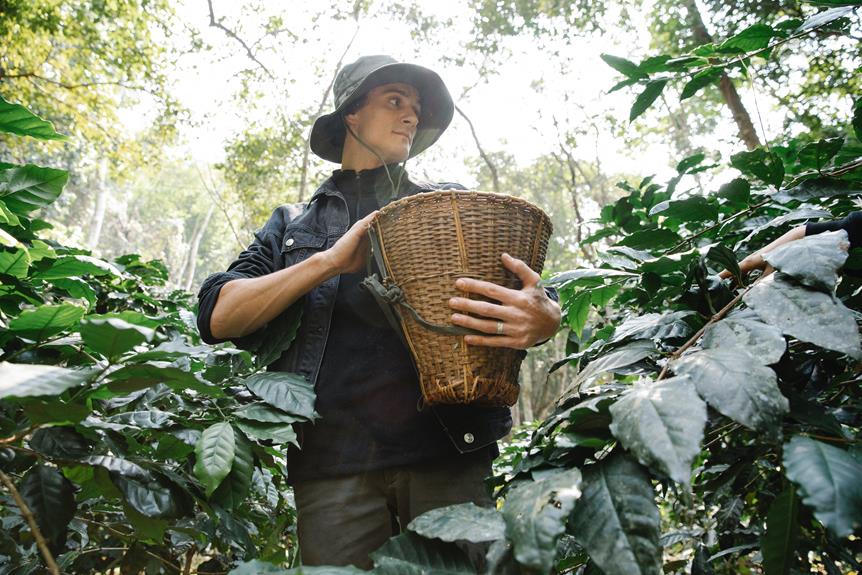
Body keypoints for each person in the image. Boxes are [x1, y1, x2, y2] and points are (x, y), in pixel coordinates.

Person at [196, 55, 561, 569]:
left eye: (416, 108)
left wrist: (545, 319)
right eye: (395, 100)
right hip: (330, 468)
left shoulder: (449, 208)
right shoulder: (292, 223)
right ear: (351, 115)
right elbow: (218, 315)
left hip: (448, 453)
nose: (411, 116)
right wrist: (328, 262)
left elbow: (525, 293)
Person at [719, 211, 862, 280]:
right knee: (749, 263)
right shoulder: (856, 222)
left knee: (760, 286)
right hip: (801, 238)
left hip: (809, 256)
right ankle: (709, 282)